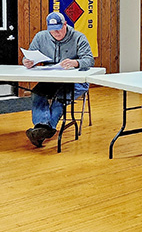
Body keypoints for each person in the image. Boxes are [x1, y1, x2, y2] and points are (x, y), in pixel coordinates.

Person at [23, 12, 94, 147]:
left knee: (60, 98)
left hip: (76, 81)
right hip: (52, 78)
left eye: (59, 29)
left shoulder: (78, 37)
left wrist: (75, 63)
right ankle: (43, 128)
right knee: (37, 93)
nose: (56, 33)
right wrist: (28, 62)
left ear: (65, 24)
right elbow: (28, 56)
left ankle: (44, 130)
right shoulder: (41, 37)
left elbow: (89, 60)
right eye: (52, 30)